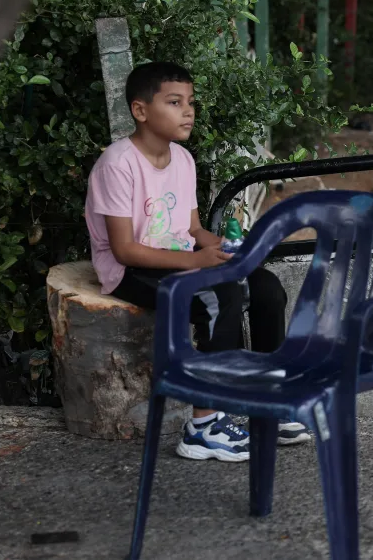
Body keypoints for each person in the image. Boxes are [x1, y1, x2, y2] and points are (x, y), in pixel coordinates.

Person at [84, 61, 310, 462]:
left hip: (176, 259)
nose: (188, 111)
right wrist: (197, 263)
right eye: (174, 102)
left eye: (190, 102)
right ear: (141, 110)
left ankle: (263, 400)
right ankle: (203, 426)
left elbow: (191, 230)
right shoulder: (118, 164)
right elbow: (123, 249)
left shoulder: (183, 161)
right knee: (218, 294)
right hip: (130, 269)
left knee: (266, 288)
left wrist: (224, 247)